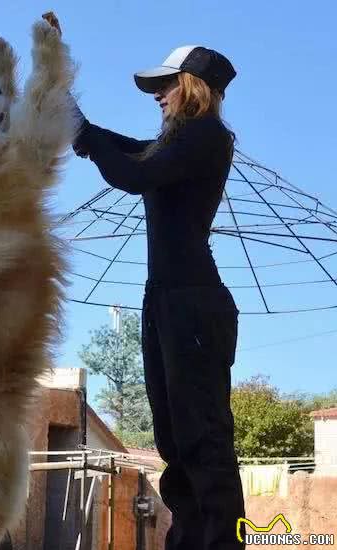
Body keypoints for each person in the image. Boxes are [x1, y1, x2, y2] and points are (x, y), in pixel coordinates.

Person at [72, 45, 246, 550]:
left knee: (202, 439)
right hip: (167, 301)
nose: (158, 97)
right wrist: (84, 133)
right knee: (174, 439)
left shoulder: (207, 137)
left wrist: (85, 135)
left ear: (192, 87)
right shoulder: (180, 144)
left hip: (193, 302)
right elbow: (134, 152)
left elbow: (135, 173)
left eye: (165, 86)